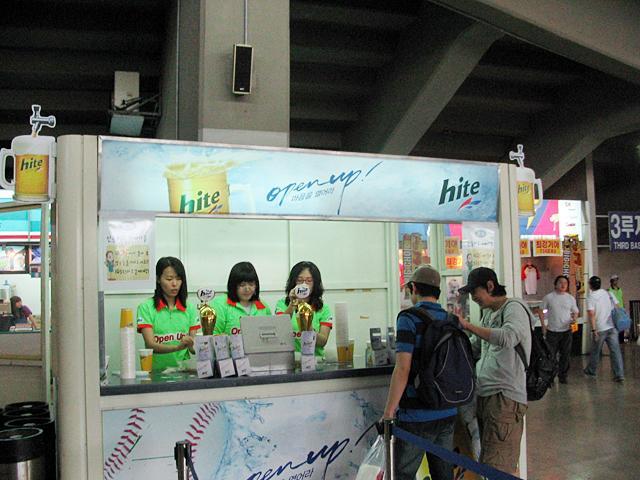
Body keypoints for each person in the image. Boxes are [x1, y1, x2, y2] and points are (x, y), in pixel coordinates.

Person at [382, 265, 455, 480]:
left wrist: (389, 411)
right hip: (447, 410)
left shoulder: (408, 318)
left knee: (403, 474)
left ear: (413, 288)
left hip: (416, 414)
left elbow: (403, 368)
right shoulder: (450, 319)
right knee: (444, 475)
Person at [457, 267, 531, 476]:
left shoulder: (514, 307)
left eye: (475, 292)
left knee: (497, 466)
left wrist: (468, 326)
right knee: (491, 460)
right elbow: (476, 346)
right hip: (486, 397)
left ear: (490, 286)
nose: (473, 298)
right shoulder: (489, 314)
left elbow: (508, 337)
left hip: (504, 398)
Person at [136, 257, 200, 371]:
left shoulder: (189, 307)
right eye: (169, 279)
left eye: (178, 279)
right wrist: (177, 347)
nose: (175, 284)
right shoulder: (146, 307)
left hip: (183, 372)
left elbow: (193, 349)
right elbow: (150, 345)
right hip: (156, 373)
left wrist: (192, 345)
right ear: (158, 279)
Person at [275, 261, 332, 357]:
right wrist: (292, 303)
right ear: (293, 282)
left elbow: (322, 342)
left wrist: (308, 327)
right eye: (299, 280)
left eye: (309, 281)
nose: (304, 284)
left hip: (315, 360)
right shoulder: (282, 304)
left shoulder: (323, 308)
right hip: (289, 359)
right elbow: (279, 328)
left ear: (315, 284)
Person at [538, 275, 579, 384]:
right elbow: (541, 311)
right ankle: (550, 375)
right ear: (555, 284)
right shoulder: (549, 297)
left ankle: (563, 375)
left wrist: (574, 319)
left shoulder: (570, 298)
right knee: (551, 355)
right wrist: (543, 325)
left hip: (566, 331)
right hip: (552, 331)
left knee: (565, 354)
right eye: (560, 282)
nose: (563, 285)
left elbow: (575, 311)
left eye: (565, 283)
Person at [584, 276, 624, 382]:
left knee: (596, 350)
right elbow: (618, 306)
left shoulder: (591, 297)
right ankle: (619, 374)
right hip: (612, 326)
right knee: (615, 351)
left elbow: (591, 314)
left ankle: (591, 370)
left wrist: (594, 330)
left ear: (590, 285)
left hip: (600, 328)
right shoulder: (608, 293)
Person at [213, 261, 271, 336]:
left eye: (251, 284)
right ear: (233, 285)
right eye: (242, 285)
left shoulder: (263, 305)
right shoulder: (220, 304)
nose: (247, 289)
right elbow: (211, 335)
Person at [608, 274, 626, 343]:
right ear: (611, 281)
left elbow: (622, 299)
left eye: (617, 280)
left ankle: (621, 341)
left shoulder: (620, 289)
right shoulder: (609, 290)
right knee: (615, 326)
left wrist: (624, 308)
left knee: (622, 325)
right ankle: (615, 341)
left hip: (621, 310)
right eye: (614, 280)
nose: (616, 281)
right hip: (614, 311)